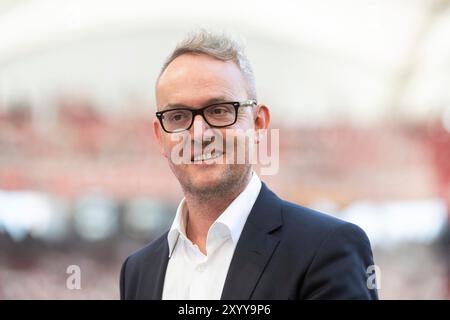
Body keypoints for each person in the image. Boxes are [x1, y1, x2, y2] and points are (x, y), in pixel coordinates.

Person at [120, 30, 378, 300]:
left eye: (219, 110)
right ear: (161, 137)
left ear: (258, 123)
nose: (198, 134)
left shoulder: (327, 248)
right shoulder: (138, 271)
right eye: (178, 116)